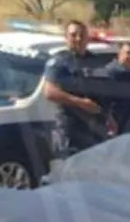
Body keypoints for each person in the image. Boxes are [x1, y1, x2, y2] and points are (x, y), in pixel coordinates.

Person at [39, 19, 111, 150]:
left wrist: (109, 117)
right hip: (70, 130)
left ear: (87, 39)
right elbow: (49, 92)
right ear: (66, 38)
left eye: (82, 35)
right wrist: (81, 103)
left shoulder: (95, 61)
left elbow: (103, 92)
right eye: (73, 35)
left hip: (94, 131)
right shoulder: (59, 61)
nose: (78, 39)